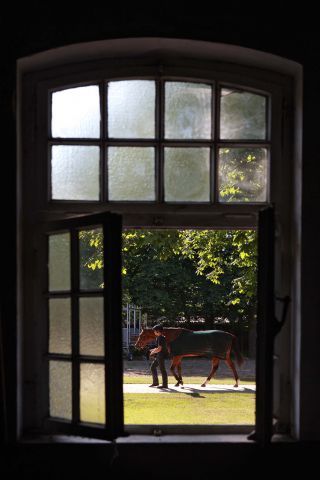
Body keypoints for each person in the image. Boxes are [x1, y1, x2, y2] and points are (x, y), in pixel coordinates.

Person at [149, 324, 168, 389]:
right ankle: (155, 382)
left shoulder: (160, 338)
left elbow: (159, 349)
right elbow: (159, 347)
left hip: (161, 356)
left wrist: (153, 352)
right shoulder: (160, 337)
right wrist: (154, 349)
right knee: (153, 367)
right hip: (159, 355)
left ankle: (165, 385)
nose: (154, 332)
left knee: (162, 370)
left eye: (154, 331)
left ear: (158, 331)